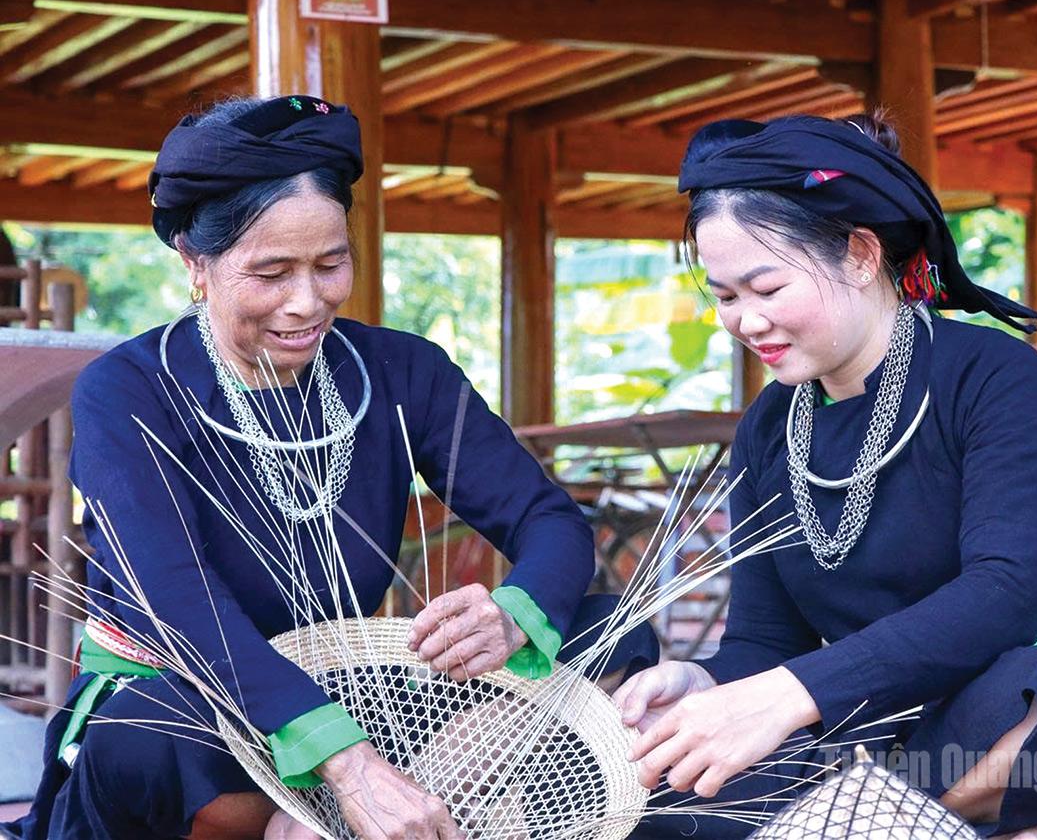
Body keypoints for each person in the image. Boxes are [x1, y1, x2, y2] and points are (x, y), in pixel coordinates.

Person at [2, 95, 654, 840]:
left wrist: (512, 613)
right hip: (198, 698)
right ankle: (317, 814)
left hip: (351, 686)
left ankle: (425, 792)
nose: (307, 303)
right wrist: (348, 766)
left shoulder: (403, 372)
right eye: (271, 272)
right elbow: (181, 604)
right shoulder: (130, 389)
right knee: (149, 736)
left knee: (608, 631)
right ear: (195, 262)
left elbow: (550, 520)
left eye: (330, 263)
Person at [613, 113, 1037, 840]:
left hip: (1014, 721)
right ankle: (909, 825)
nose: (746, 322)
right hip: (883, 735)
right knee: (653, 797)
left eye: (766, 287)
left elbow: (1004, 597)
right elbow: (768, 644)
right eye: (726, 296)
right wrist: (702, 684)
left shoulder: (994, 379)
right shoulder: (770, 427)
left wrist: (791, 695)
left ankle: (875, 825)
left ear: (860, 253)